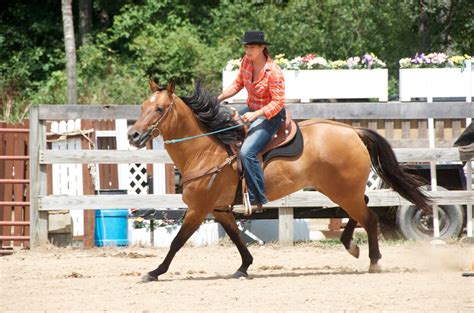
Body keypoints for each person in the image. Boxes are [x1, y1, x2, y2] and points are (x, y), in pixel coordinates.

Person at [217, 30, 286, 209]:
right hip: (252, 108)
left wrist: (255, 115)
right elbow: (238, 83)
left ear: (262, 47)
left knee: (247, 151)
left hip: (271, 115)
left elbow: (278, 103)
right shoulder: (246, 62)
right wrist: (219, 97)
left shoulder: (274, 72)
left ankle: (258, 198)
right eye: (246, 47)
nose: (248, 51)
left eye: (252, 47)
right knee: (224, 129)